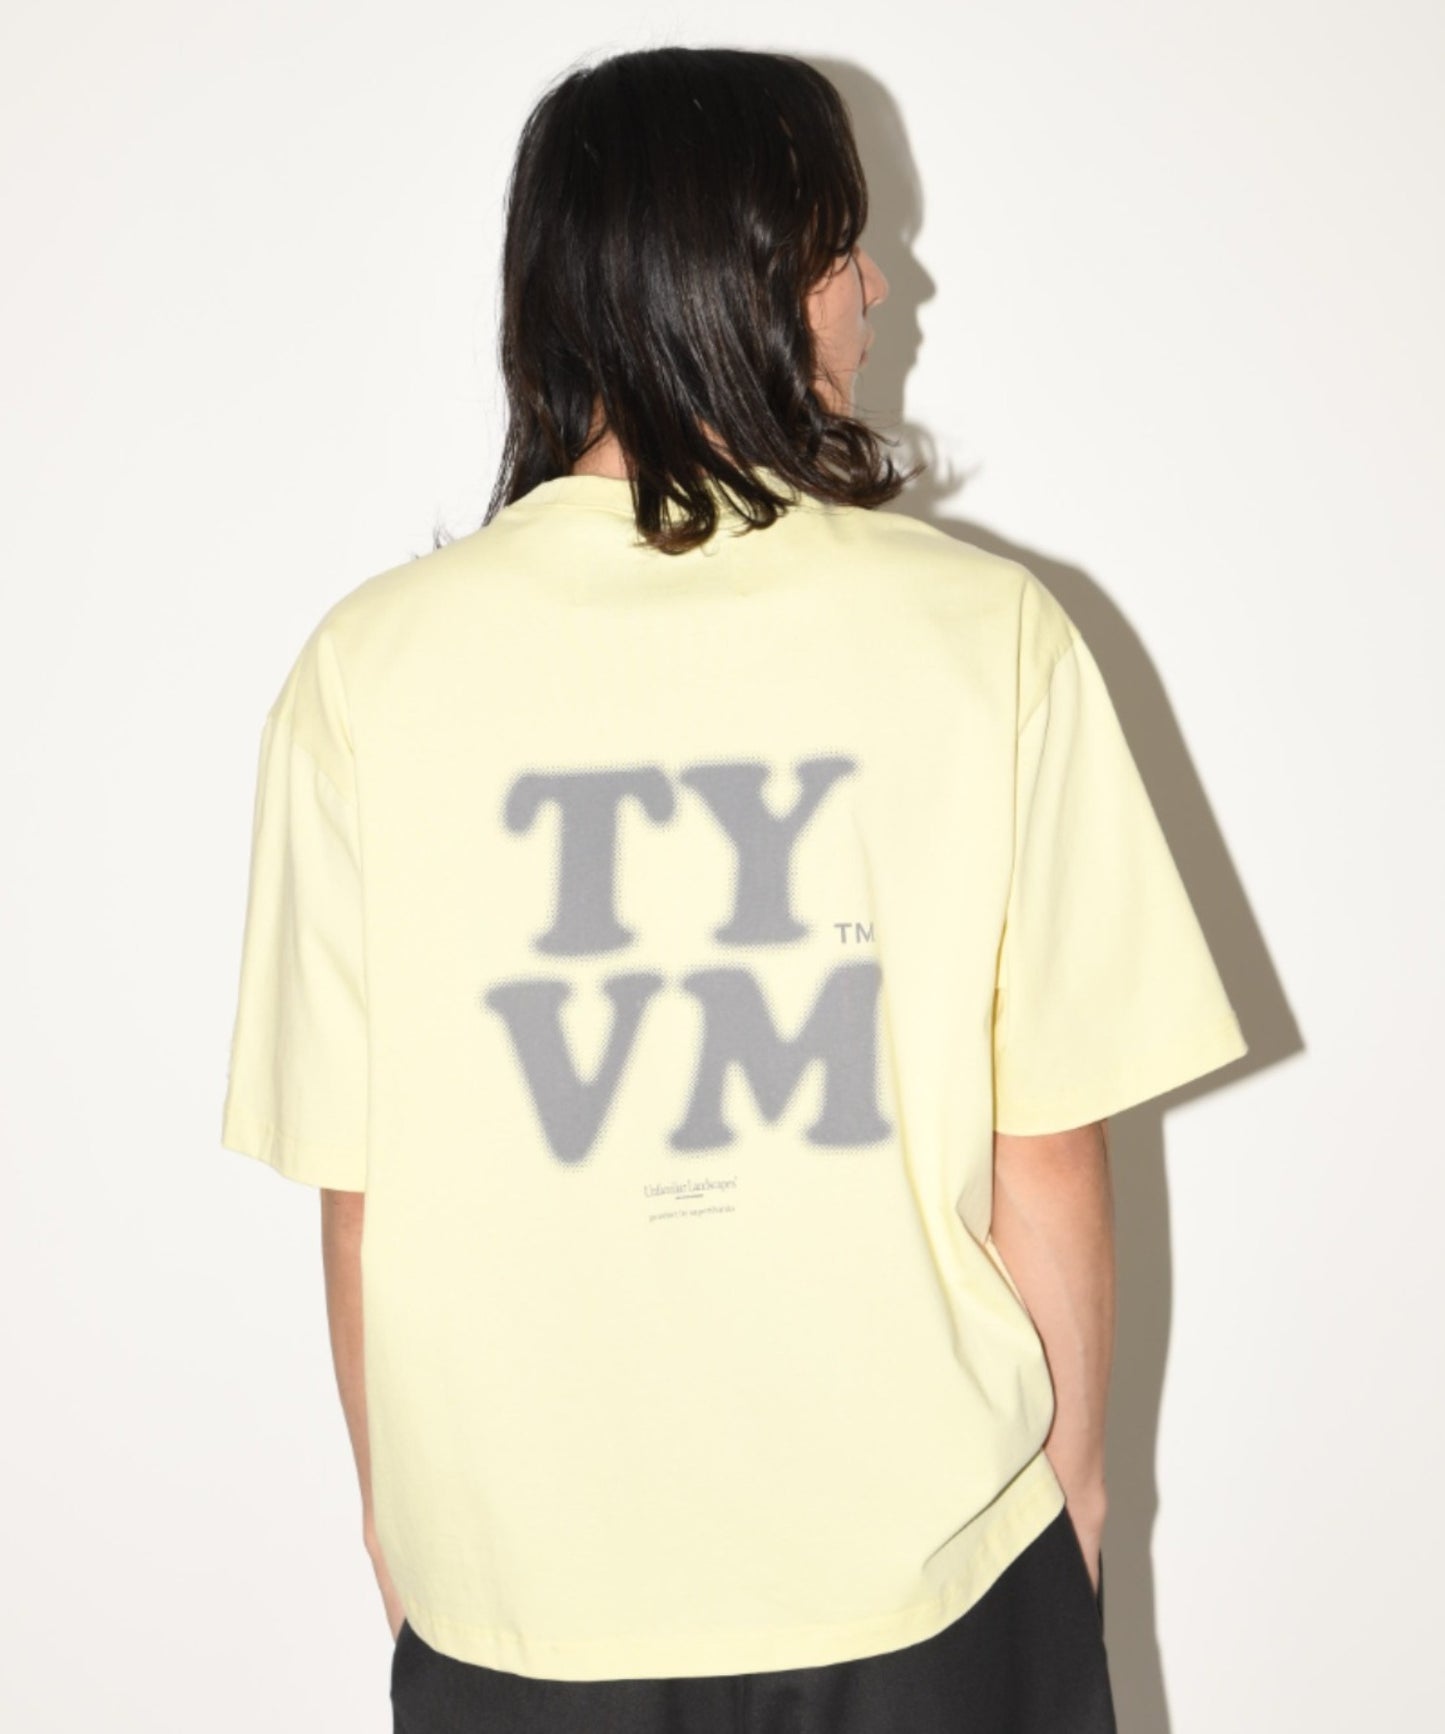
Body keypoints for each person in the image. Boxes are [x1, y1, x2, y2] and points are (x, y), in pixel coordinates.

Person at [219, 45, 1248, 1734]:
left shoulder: (367, 669)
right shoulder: (981, 634)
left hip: (526, 1594)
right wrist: (1075, 1496)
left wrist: (404, 1532)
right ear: (746, 273)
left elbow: (362, 1182)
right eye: (846, 248)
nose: (881, 289)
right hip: (921, 1569)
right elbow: (1048, 1142)